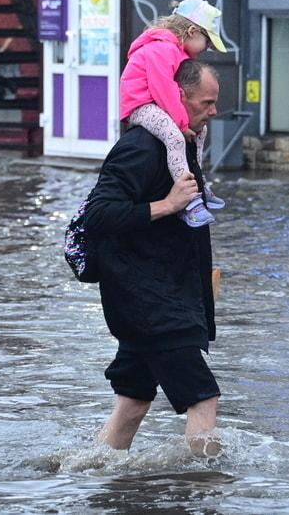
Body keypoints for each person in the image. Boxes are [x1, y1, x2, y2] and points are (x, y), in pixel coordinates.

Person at [83, 58, 222, 458]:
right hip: (151, 303)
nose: (213, 111)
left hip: (159, 296)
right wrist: (166, 204)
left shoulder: (180, 142)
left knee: (134, 400)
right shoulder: (141, 146)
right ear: (178, 96)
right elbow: (99, 214)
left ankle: (90, 472)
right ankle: (202, 489)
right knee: (203, 398)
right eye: (206, 103)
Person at [120, 0, 228, 228]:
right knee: (175, 136)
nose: (207, 49)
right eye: (207, 42)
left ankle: (198, 183)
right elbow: (163, 89)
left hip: (156, 104)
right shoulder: (162, 48)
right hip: (140, 105)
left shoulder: (176, 51)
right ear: (192, 31)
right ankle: (189, 200)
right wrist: (181, 123)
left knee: (201, 129)